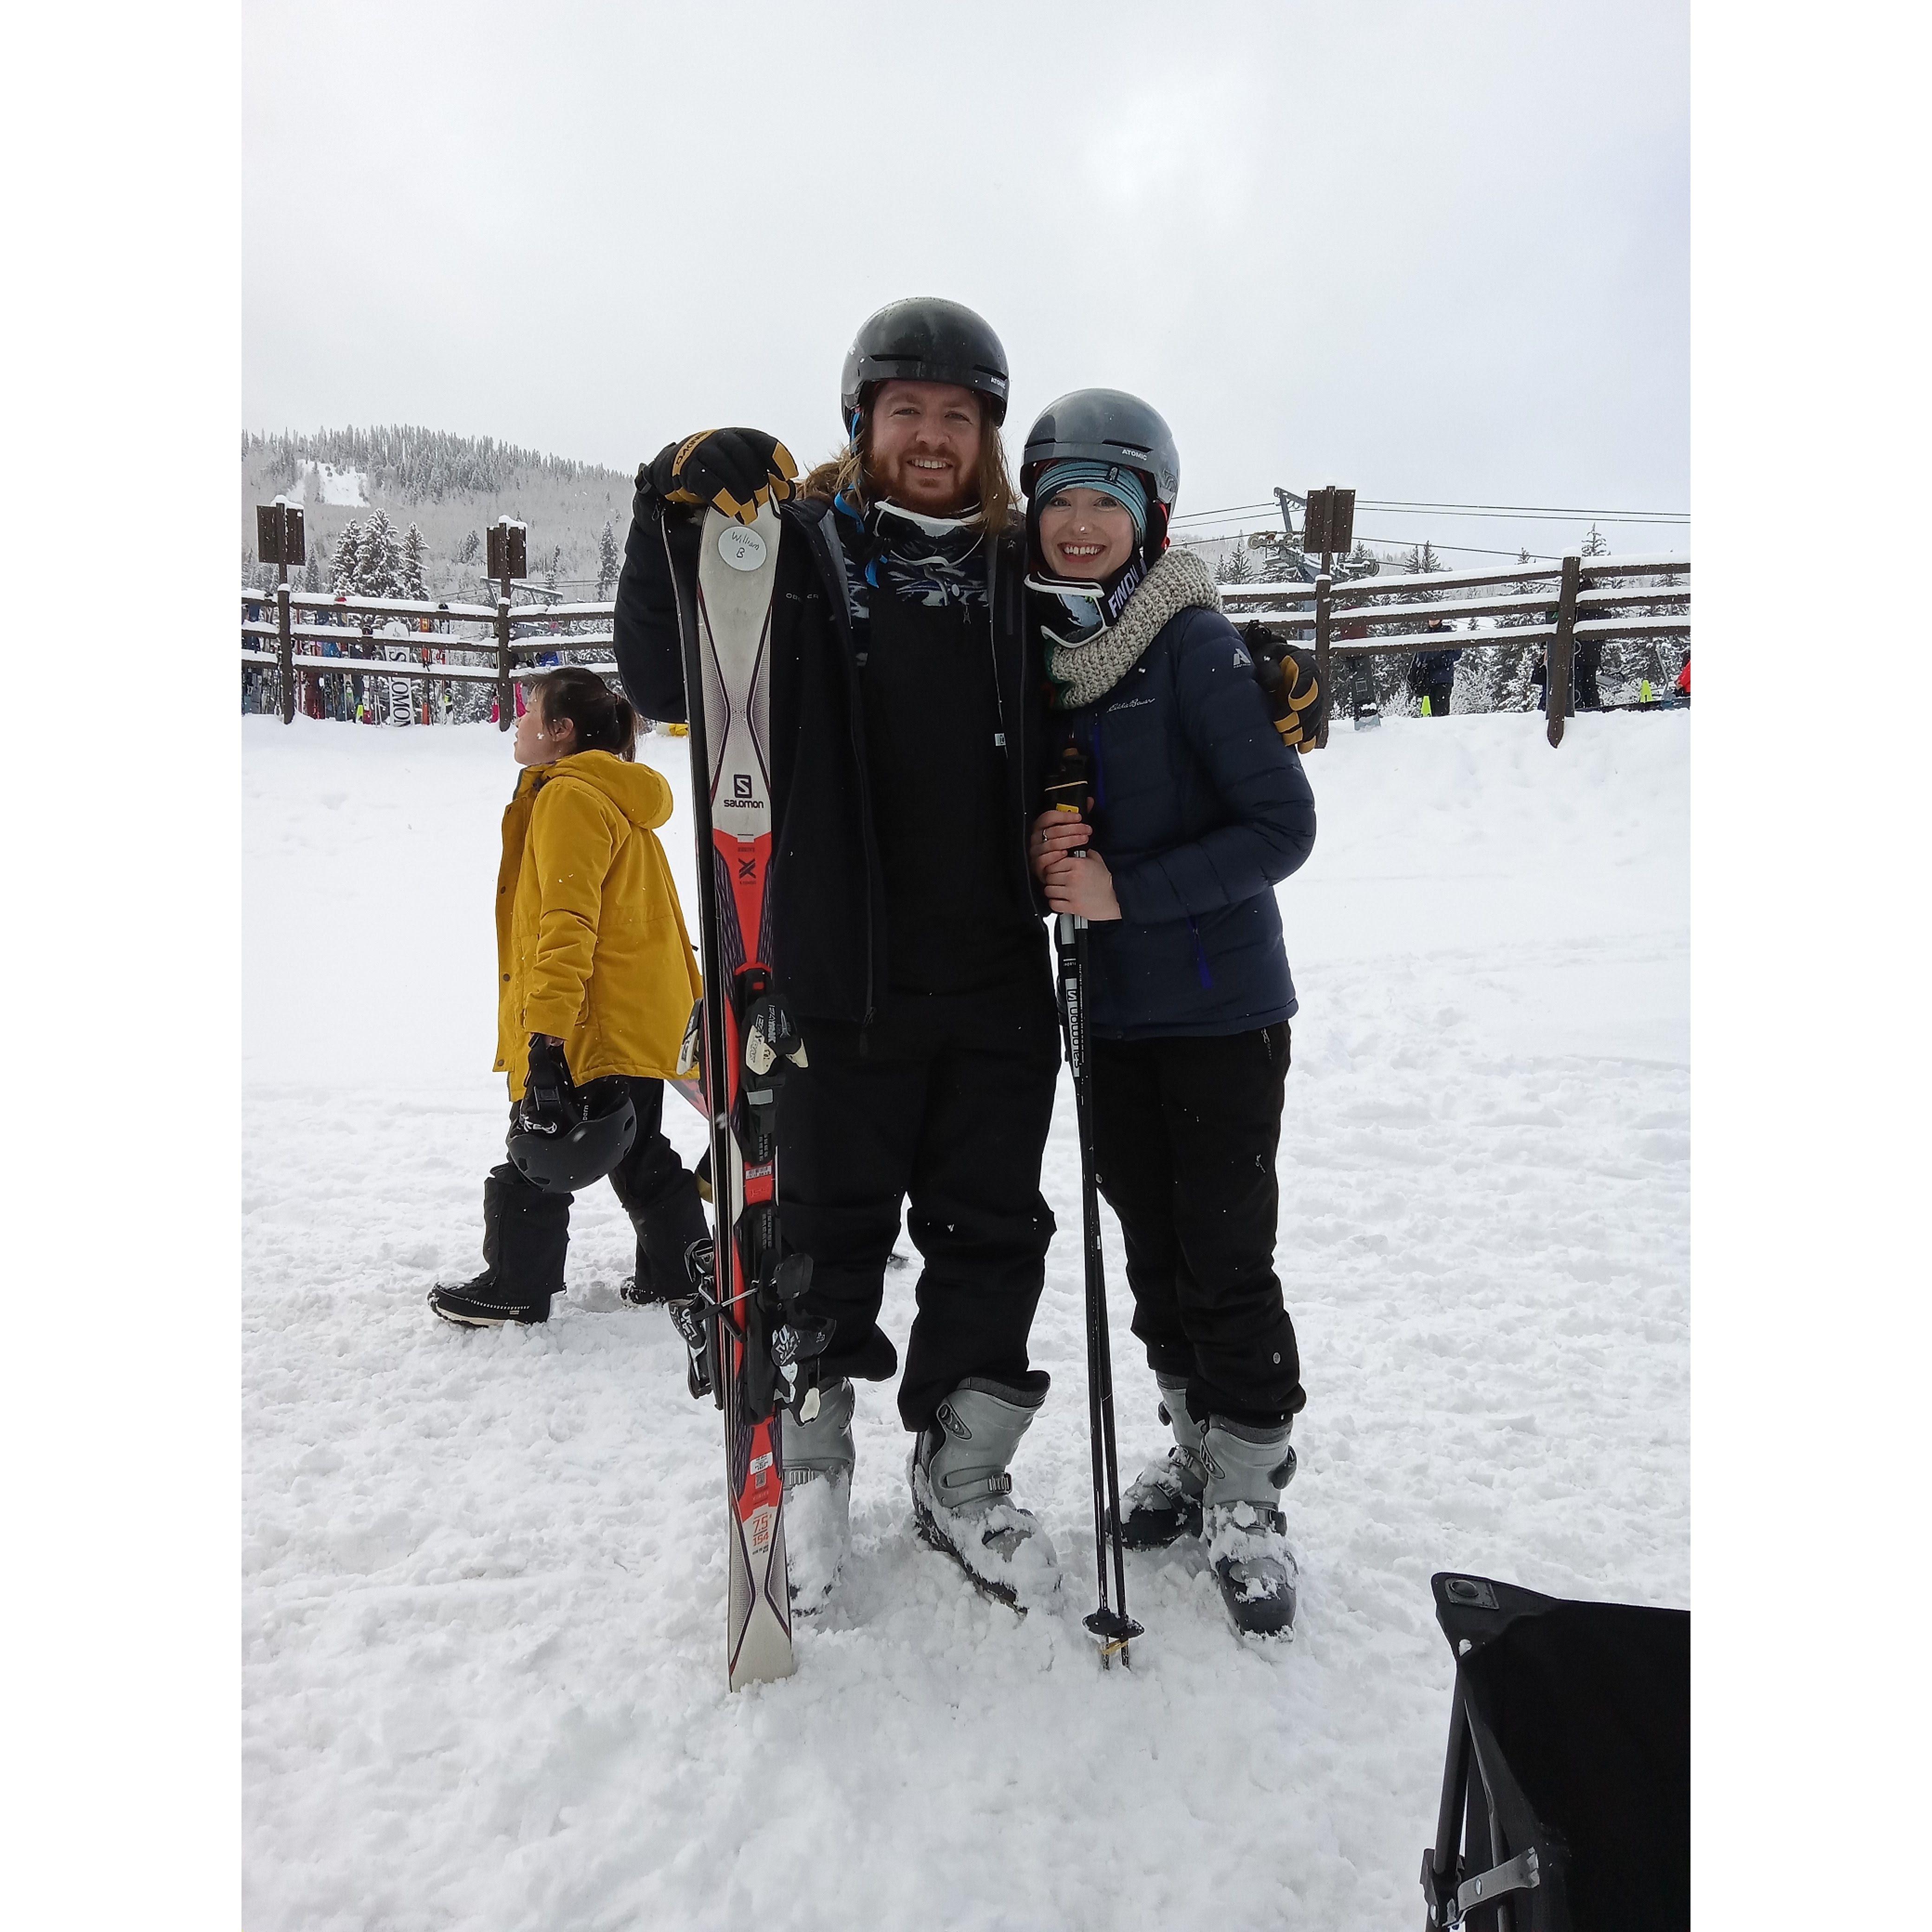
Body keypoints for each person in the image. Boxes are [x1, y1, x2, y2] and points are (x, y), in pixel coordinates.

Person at [613, 298, 1063, 1613]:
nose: (932, 437)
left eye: (959, 416)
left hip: (992, 981)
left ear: (988, 435)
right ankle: (807, 1468)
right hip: (830, 972)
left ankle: (963, 1476)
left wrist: (1234, 673)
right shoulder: (797, 553)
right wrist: (666, 515)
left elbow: (1130, 632)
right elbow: (665, 677)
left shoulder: (1018, 573)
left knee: (996, 1236)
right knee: (816, 1236)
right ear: (861, 421)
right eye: (906, 411)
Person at [1024, 390, 1317, 1637]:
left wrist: (1121, 890)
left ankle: (1250, 1497)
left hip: (1221, 1011)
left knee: (1225, 1260)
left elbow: (1281, 828)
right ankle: (1194, 1453)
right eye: (1060, 501)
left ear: (1152, 516)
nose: (1081, 525)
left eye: (1108, 500)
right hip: (1118, 1020)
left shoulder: (1190, 643)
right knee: (1152, 1255)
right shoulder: (1050, 660)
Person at [428, 667, 709, 1328]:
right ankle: (686, 1274)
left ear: (562, 731)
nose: (518, 725)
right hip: (634, 1011)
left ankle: (516, 1286)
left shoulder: (572, 799)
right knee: (635, 1154)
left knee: (544, 1144)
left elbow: (566, 923)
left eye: (530, 713)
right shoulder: (613, 794)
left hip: (593, 1016)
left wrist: (546, 1036)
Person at [1409, 617, 1462, 717]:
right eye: (1430, 619)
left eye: (1436, 618)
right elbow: (1418, 658)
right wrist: (1413, 675)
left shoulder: (1448, 634)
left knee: (1441, 714)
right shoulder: (1424, 636)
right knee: (1427, 714)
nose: (1433, 621)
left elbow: (1456, 654)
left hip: (1442, 680)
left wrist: (1439, 662)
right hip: (1427, 681)